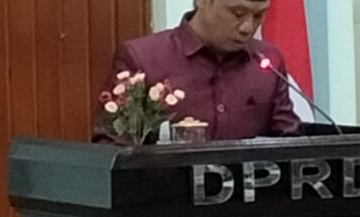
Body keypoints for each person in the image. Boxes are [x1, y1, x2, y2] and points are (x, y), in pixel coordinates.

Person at [93, 0, 300, 143]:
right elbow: (111, 149)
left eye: (258, 15)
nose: (247, 27)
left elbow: (292, 144)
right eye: (237, 13)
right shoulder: (143, 58)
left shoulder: (268, 61)